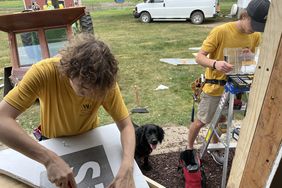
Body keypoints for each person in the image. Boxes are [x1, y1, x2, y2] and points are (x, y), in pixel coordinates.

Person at [0, 33, 136, 188]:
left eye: (96, 94)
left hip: (88, 140)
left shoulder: (104, 83)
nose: (91, 97)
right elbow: (1, 119)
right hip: (52, 141)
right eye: (84, 89)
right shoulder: (43, 72)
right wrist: (49, 159)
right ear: (70, 70)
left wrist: (127, 166)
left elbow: (126, 126)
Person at [186, 0, 270, 165]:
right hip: (214, 87)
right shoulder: (221, 31)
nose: (255, 29)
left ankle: (215, 145)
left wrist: (248, 56)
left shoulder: (255, 35)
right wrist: (216, 64)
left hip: (235, 87)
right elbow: (199, 57)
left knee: (223, 120)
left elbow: (248, 60)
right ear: (245, 15)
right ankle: (189, 148)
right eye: (254, 24)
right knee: (201, 121)